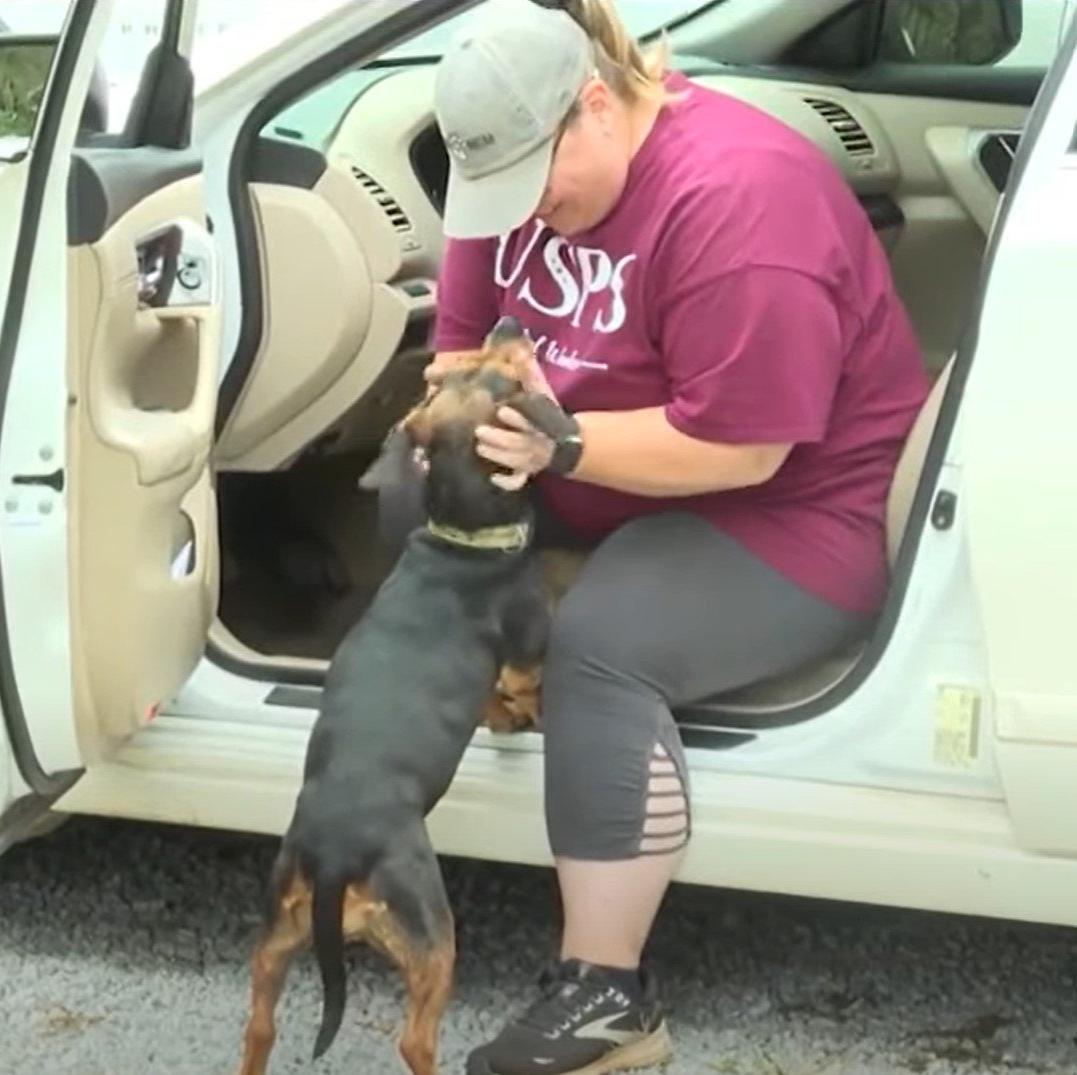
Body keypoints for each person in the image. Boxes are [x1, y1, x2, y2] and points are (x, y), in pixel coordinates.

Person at [378, 0, 931, 1072]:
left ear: (596, 106)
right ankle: (519, 661)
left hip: (789, 508)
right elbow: (456, 352)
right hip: (594, 466)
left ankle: (604, 996)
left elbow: (740, 452)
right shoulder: (507, 180)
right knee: (408, 500)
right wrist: (465, 417)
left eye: (539, 183)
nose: (522, 212)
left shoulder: (737, 201)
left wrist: (560, 443)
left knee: (608, 640)